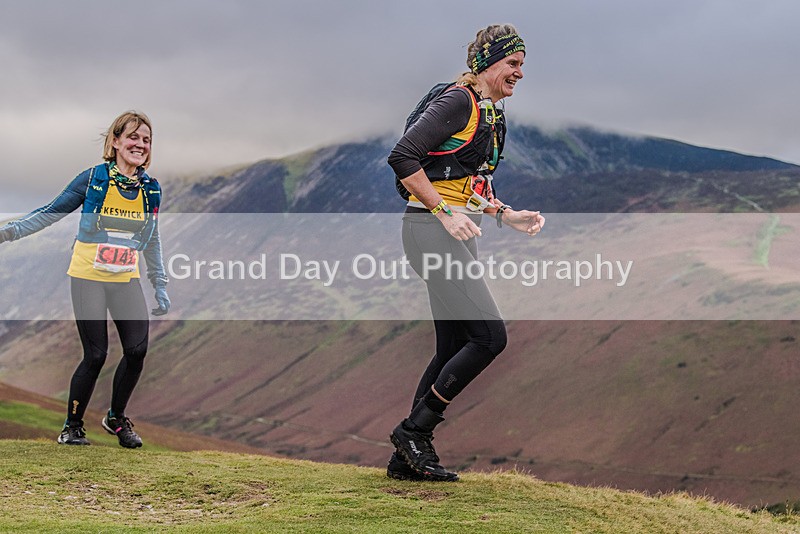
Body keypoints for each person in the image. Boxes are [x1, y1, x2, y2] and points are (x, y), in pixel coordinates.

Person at [386, 24, 545, 481]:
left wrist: (504, 214)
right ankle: (414, 431)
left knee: (454, 345)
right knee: (490, 338)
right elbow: (403, 157)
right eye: (513, 64)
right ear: (487, 63)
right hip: (431, 231)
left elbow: (461, 177)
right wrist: (443, 213)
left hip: (453, 231)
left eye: (522, 66)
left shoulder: (488, 111)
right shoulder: (459, 101)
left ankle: (406, 458)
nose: (519, 74)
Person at [0, 111, 170, 448]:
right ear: (116, 142)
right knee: (96, 355)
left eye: (146, 140)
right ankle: (72, 427)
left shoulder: (151, 189)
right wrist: (10, 232)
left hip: (124, 278)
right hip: (88, 276)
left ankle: (116, 419)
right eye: (133, 137)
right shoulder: (93, 179)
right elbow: (52, 210)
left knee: (137, 350)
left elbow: (152, 238)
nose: (140, 145)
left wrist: (159, 283)